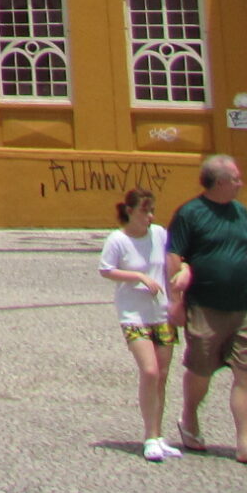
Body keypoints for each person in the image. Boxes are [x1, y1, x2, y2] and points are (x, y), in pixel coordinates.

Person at [165, 154, 247, 470]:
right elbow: (174, 258)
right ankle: (189, 416)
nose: (242, 183)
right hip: (204, 306)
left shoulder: (242, 213)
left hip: (243, 307)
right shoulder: (190, 213)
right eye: (237, 179)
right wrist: (177, 301)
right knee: (201, 370)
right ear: (220, 182)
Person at [98, 188, 179, 460]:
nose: (150, 215)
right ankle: (148, 437)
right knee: (150, 371)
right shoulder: (118, 240)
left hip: (161, 313)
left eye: (152, 209)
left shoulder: (159, 234)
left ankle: (157, 435)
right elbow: (106, 270)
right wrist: (139, 276)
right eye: (144, 210)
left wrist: (182, 280)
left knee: (163, 375)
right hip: (133, 315)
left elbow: (170, 265)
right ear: (130, 210)